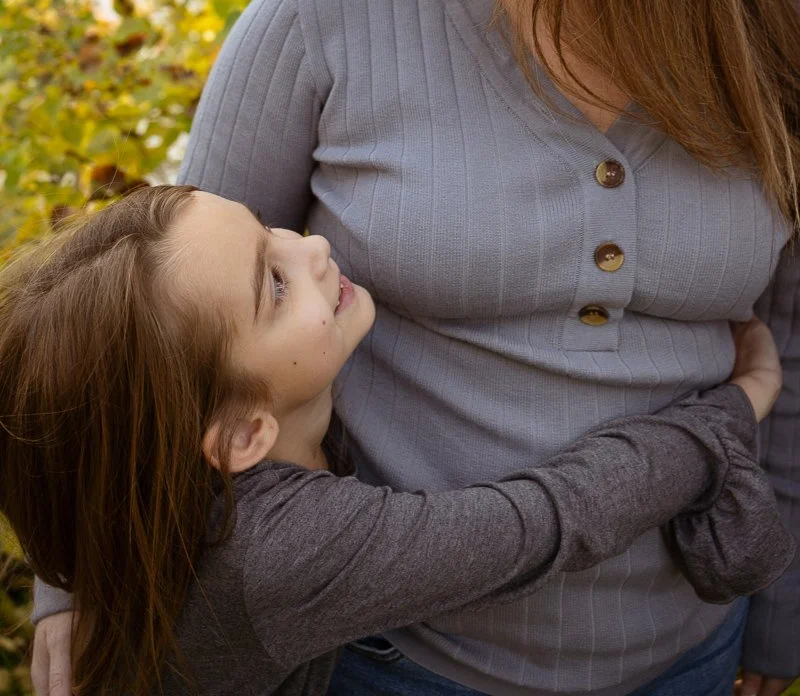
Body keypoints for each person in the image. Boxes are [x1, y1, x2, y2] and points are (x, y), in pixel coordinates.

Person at [32, 0, 800, 696]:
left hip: (687, 656)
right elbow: (149, 312)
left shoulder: (764, 7)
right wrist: (77, 586)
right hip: (396, 664)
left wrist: (778, 626)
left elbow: (792, 340)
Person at [0, 184, 791, 696]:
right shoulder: (283, 555)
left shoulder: (172, 463)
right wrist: (729, 411)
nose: (308, 246)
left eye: (267, 229)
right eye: (273, 285)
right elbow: (544, 523)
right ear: (244, 432)